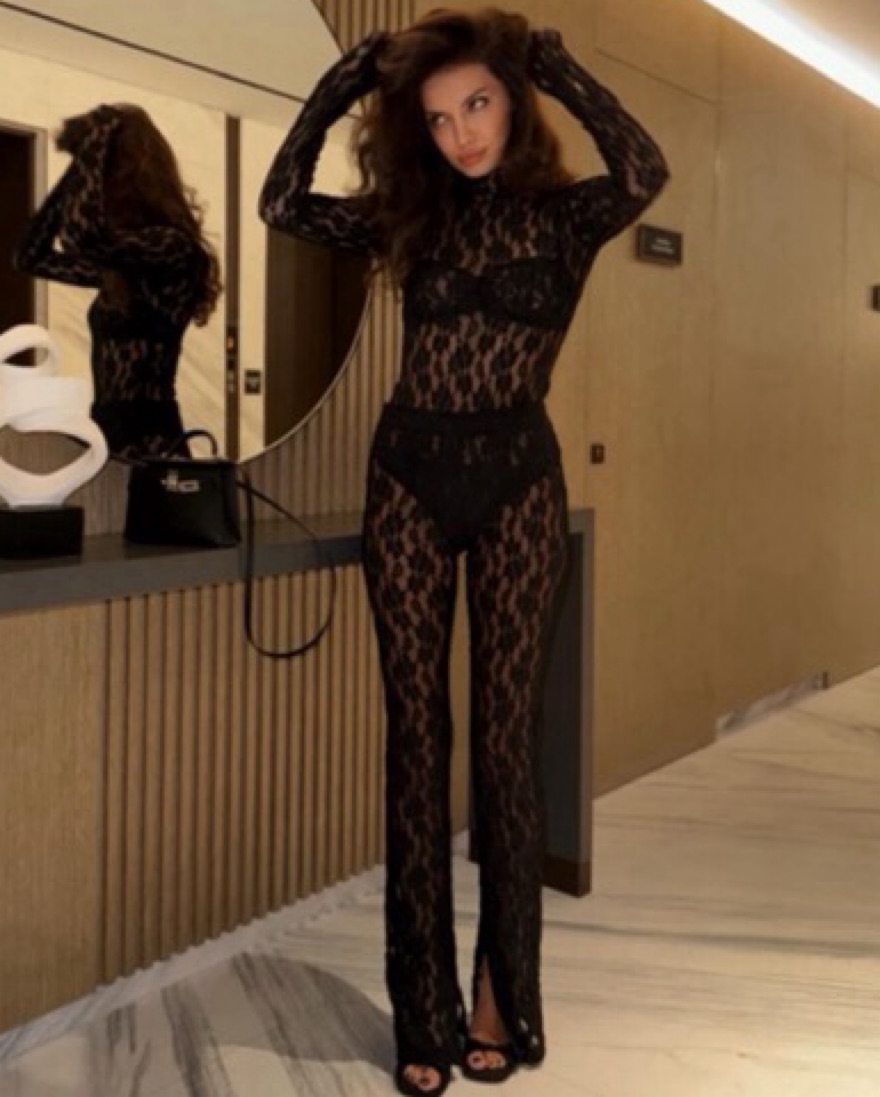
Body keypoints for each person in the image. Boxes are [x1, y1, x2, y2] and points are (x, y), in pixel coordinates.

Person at [259, 7, 668, 1095]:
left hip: (516, 479)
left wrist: (554, 64)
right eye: (438, 118)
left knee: (504, 746)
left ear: (512, 101)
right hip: (407, 473)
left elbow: (644, 168)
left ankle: (501, 991)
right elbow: (281, 202)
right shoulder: (412, 217)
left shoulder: (567, 216)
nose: (461, 134)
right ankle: (422, 1006)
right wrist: (344, 83)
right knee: (414, 744)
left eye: (477, 104)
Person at [15, 103, 222, 459]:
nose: (95, 193)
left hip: (152, 440)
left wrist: (92, 150)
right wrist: (79, 167)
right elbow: (30, 257)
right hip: (107, 435)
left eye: (102, 178)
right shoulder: (126, 266)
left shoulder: (172, 247)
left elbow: (84, 237)